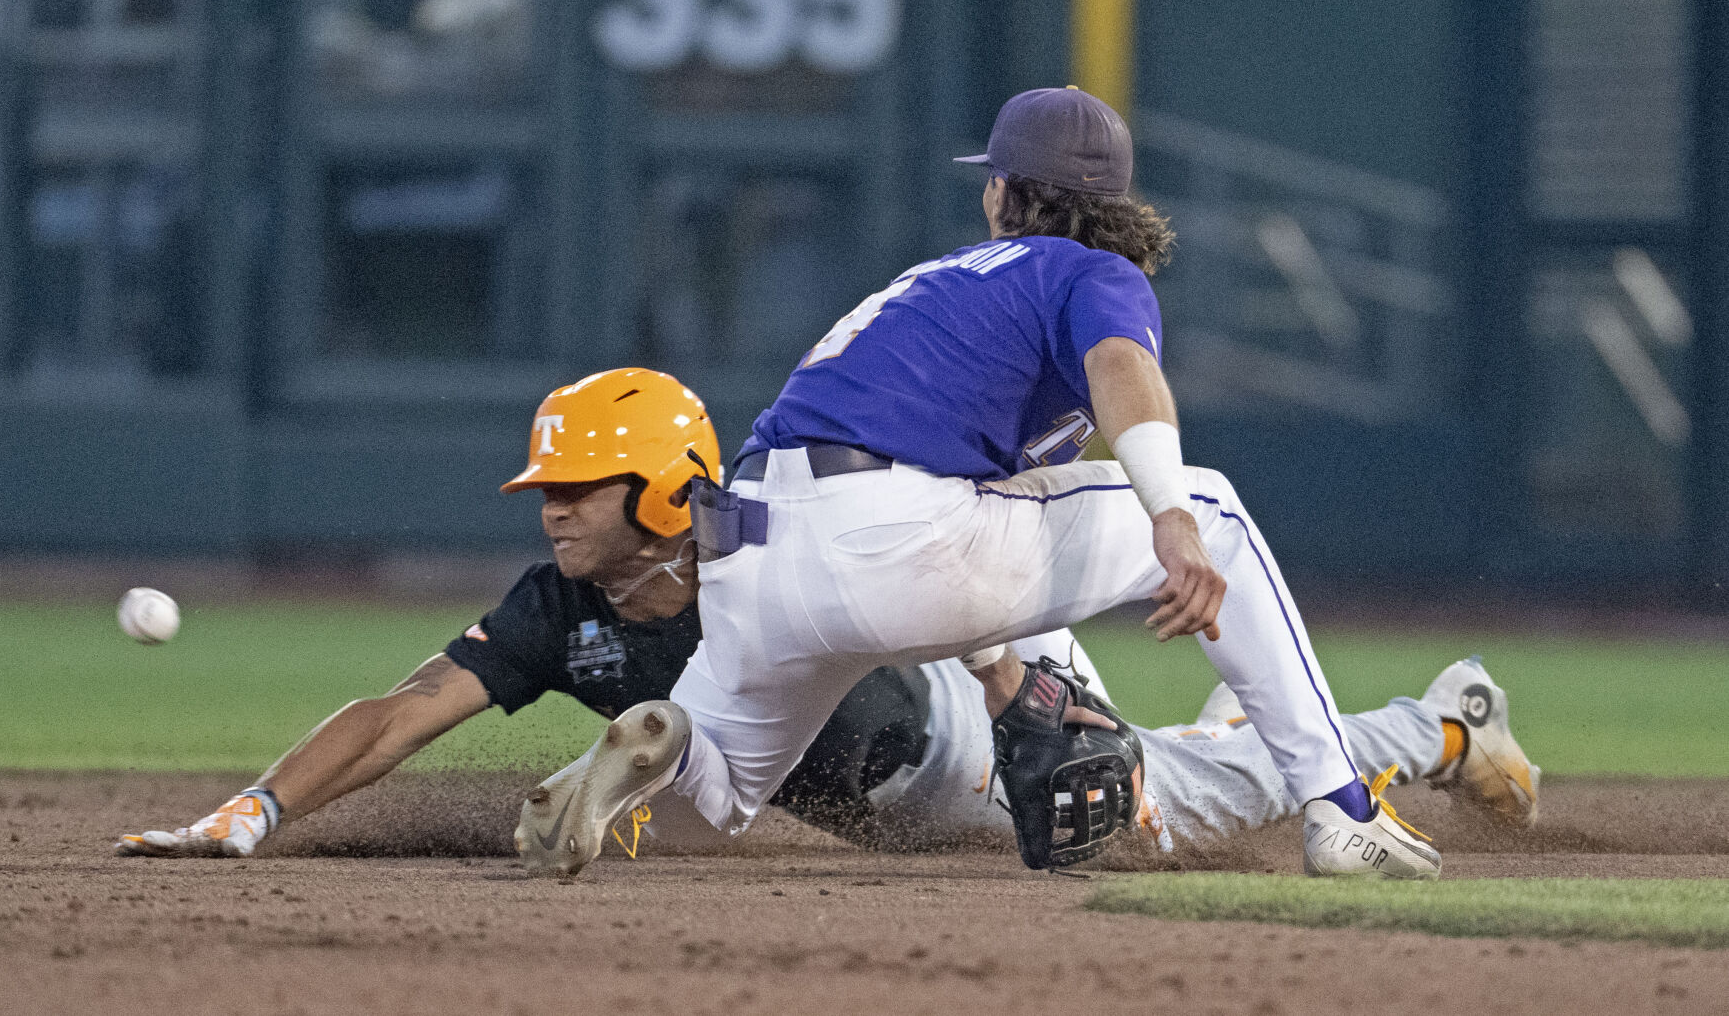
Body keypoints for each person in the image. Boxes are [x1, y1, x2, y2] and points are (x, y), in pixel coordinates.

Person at [516, 87, 1474, 880]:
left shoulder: (937, 285)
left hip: (753, 546)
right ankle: (1343, 809)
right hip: (895, 534)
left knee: (719, 789)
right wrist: (1171, 518)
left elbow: (1016, 513)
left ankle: (668, 745)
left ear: (1002, 193)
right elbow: (1124, 375)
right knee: (1215, 506)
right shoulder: (1085, 270)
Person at [115, 367, 1540, 861]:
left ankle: (1441, 722)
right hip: (881, 784)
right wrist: (250, 808)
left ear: (667, 490)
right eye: (546, 484)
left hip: (953, 708)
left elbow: (907, 570)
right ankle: (645, 770)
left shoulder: (760, 527)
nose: (550, 507)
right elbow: (401, 708)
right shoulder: (557, 606)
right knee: (1174, 774)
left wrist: (1010, 677)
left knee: (1168, 809)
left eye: (582, 486)